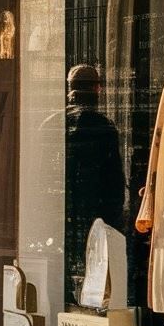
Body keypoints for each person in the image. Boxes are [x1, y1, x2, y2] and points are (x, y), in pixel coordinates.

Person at [65, 64, 126, 293]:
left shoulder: (52, 124)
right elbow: (114, 179)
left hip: (64, 212)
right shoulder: (103, 127)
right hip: (96, 210)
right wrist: (115, 218)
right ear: (97, 89)